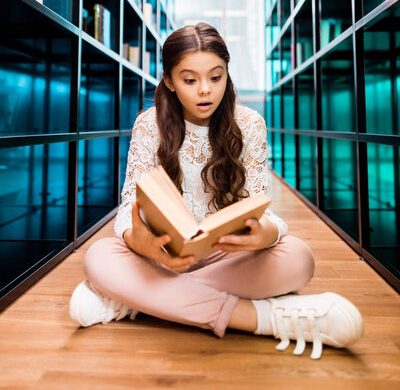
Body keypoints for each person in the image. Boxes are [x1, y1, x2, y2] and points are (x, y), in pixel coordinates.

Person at [70, 22, 363, 359]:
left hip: (228, 255)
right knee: (100, 255)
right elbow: (128, 210)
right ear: (169, 80)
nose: (205, 90)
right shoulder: (149, 124)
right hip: (163, 257)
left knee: (298, 258)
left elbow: (262, 210)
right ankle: (265, 318)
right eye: (190, 80)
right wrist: (143, 244)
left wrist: (263, 235)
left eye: (216, 76)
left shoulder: (250, 123)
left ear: (227, 74)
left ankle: (133, 299)